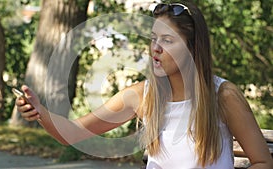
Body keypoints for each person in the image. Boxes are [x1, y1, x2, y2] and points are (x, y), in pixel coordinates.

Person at [16, 1, 273, 168]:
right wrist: (39, 111)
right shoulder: (142, 95)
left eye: (168, 40)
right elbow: (71, 134)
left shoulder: (222, 96)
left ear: (192, 48)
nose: (156, 48)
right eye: (153, 39)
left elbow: (263, 161)